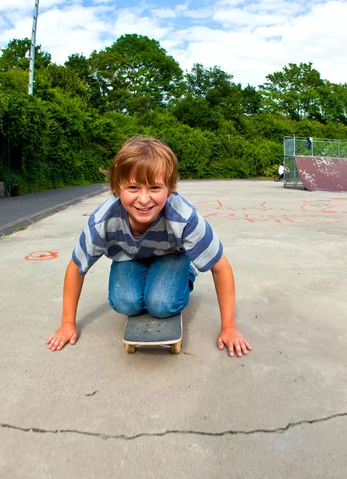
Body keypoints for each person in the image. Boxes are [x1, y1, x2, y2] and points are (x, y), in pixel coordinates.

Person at [46, 136, 251, 358]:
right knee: (126, 303)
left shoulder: (183, 217)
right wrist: (67, 323)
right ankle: (147, 276)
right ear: (117, 187)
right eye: (133, 187)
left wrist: (229, 327)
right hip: (129, 257)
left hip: (171, 256)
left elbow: (221, 267)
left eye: (154, 187)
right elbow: (77, 267)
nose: (144, 199)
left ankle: (187, 271)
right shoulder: (102, 221)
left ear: (169, 188)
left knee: (161, 305)